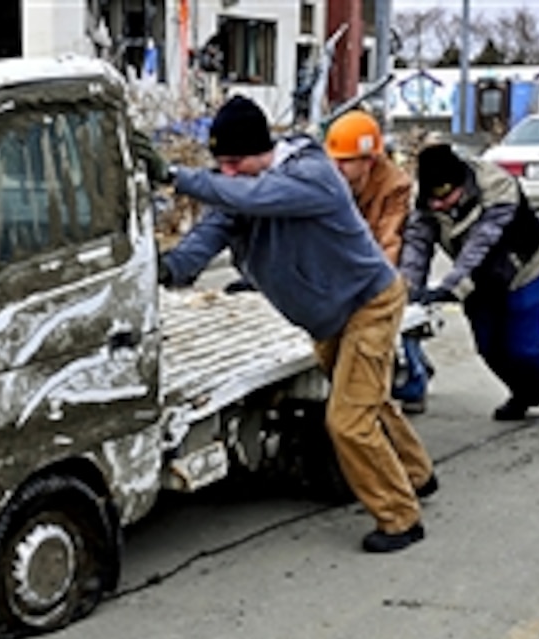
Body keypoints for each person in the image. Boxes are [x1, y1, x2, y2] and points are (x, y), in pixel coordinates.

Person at [139, 95, 437, 553]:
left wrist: (175, 176)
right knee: (365, 399)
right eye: (221, 164)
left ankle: (400, 518)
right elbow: (206, 237)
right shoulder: (240, 189)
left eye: (236, 162)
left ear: (263, 149)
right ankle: (417, 474)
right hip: (326, 318)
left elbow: (252, 196)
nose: (228, 173)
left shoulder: (312, 175)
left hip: (368, 304)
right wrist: (166, 269)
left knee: (348, 420)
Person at [400, 143, 539, 421]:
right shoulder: (424, 201)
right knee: (489, 346)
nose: (438, 203)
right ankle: (525, 392)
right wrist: (410, 288)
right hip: (477, 280)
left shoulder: (496, 188)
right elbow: (417, 245)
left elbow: (482, 248)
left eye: (445, 194)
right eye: (432, 196)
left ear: (460, 182)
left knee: (524, 345)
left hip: (522, 269)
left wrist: (450, 289)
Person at [324, 110, 432, 414]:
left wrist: (376, 288)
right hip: (349, 262)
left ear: (369, 160)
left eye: (345, 161)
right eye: (334, 158)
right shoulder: (329, 176)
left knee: (396, 318)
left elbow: (390, 239)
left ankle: (415, 378)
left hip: (385, 262)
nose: (337, 166)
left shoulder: (394, 185)